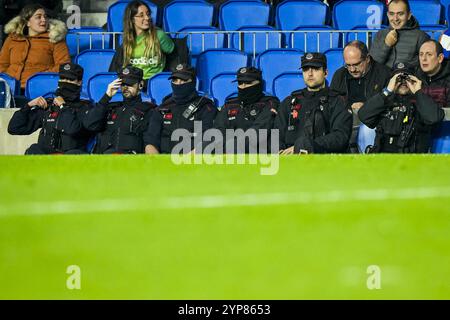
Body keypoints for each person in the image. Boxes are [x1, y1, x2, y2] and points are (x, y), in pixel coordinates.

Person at [7, 63, 94, 154]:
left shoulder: (85, 108)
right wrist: (28, 106)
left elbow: (72, 129)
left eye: (70, 79)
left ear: (79, 82)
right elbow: (14, 128)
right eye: (62, 78)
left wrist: (63, 107)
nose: (65, 82)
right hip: (47, 158)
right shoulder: (49, 106)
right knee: (34, 149)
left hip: (70, 158)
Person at [275, 53, 353, 154]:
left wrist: (306, 147)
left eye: (315, 69)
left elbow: (340, 137)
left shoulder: (338, 100)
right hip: (289, 162)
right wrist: (279, 152)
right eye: (306, 69)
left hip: (324, 160)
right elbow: (276, 134)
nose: (310, 73)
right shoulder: (289, 102)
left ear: (326, 73)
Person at [358, 62, 445, 153]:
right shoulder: (384, 101)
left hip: (411, 162)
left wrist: (418, 92)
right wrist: (387, 92)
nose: (403, 82)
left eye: (407, 78)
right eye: (399, 78)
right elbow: (363, 116)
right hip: (382, 161)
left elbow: (434, 118)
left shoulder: (421, 102)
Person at [330, 40, 391, 153]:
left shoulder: (384, 74)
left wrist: (367, 107)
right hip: (346, 120)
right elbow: (333, 103)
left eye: (356, 64)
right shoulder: (340, 75)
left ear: (367, 58)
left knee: (367, 129)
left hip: (372, 122)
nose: (352, 69)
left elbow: (387, 103)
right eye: (348, 65)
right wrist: (348, 108)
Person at [144, 64, 217, 154]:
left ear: (193, 82)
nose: (179, 84)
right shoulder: (162, 108)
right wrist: (158, 163)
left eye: (183, 80)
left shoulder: (205, 108)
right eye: (175, 80)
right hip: (165, 164)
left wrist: (187, 161)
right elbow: (150, 142)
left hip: (194, 164)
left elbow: (210, 140)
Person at [84, 65, 156, 154]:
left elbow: (151, 142)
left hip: (131, 162)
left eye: (129, 84)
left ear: (141, 85)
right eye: (122, 84)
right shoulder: (111, 108)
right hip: (105, 161)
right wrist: (107, 96)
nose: (125, 88)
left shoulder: (148, 110)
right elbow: (89, 125)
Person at [0, 4, 70, 90]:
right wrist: (7, 80)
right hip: (10, 88)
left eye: (45, 16)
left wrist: (40, 78)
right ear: (27, 22)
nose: (44, 20)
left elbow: (63, 65)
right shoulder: (12, 39)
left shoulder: (55, 38)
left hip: (39, 88)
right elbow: (2, 64)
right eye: (38, 17)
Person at [109, 0, 175, 89]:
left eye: (148, 14)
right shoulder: (126, 39)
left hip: (154, 84)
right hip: (133, 83)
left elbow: (174, 54)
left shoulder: (159, 35)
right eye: (141, 15)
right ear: (132, 19)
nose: (147, 18)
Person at [212, 66, 279, 153]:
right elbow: (218, 132)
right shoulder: (229, 105)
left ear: (259, 83)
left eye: (248, 82)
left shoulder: (270, 103)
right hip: (229, 159)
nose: (243, 86)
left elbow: (258, 132)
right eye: (240, 82)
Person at [370, 0, 429, 69]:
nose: (395, 19)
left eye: (400, 14)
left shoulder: (421, 37)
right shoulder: (380, 34)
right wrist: (387, 45)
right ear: (387, 15)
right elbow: (372, 67)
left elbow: (425, 66)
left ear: (409, 15)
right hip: (383, 79)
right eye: (392, 14)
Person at [417, 40, 450, 109]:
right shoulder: (414, 77)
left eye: (429, 54)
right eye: (421, 54)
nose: (424, 58)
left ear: (440, 58)